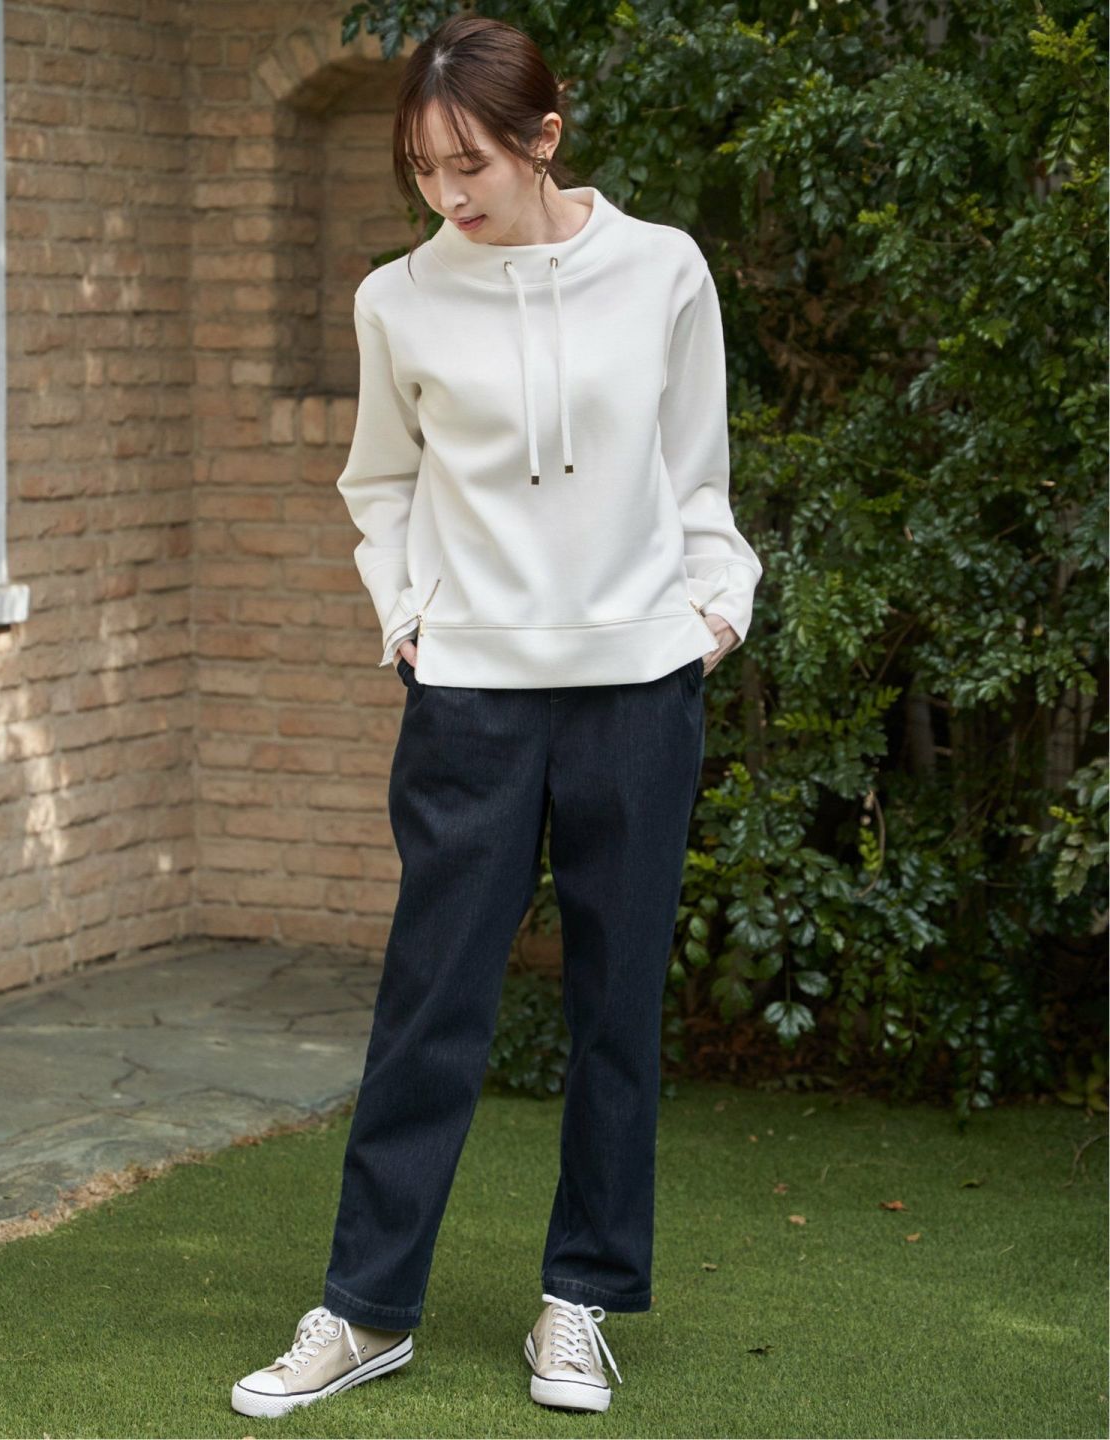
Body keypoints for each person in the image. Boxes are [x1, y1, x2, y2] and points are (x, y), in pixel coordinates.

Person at [230, 12, 762, 1422]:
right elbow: (379, 484)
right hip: (470, 695)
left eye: (468, 162)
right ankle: (365, 1309)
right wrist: (405, 615)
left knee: (615, 1009)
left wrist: (714, 610)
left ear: (544, 136)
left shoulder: (663, 270)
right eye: (423, 167)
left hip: (638, 686)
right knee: (431, 1005)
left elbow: (697, 473)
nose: (447, 193)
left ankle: (580, 1300)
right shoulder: (397, 299)